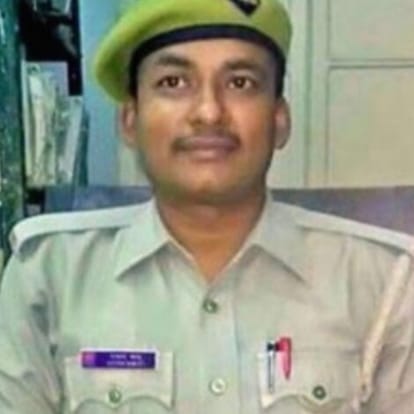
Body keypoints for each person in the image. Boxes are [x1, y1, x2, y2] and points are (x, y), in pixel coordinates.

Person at [1, 0, 414, 412]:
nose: (209, 112)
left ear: (279, 120)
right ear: (129, 120)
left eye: (240, 83)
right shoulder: (49, 275)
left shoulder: (383, 282)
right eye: (173, 82)